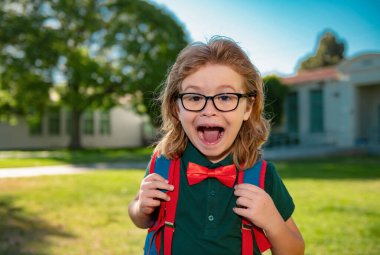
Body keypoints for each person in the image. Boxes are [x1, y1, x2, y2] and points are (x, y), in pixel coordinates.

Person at [128, 36, 305, 255]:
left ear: (248, 107)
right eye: (194, 97)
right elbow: (139, 216)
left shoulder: (262, 176)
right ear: (176, 108)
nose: (209, 110)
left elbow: (295, 249)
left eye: (225, 97)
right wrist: (141, 208)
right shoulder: (163, 165)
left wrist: (272, 221)